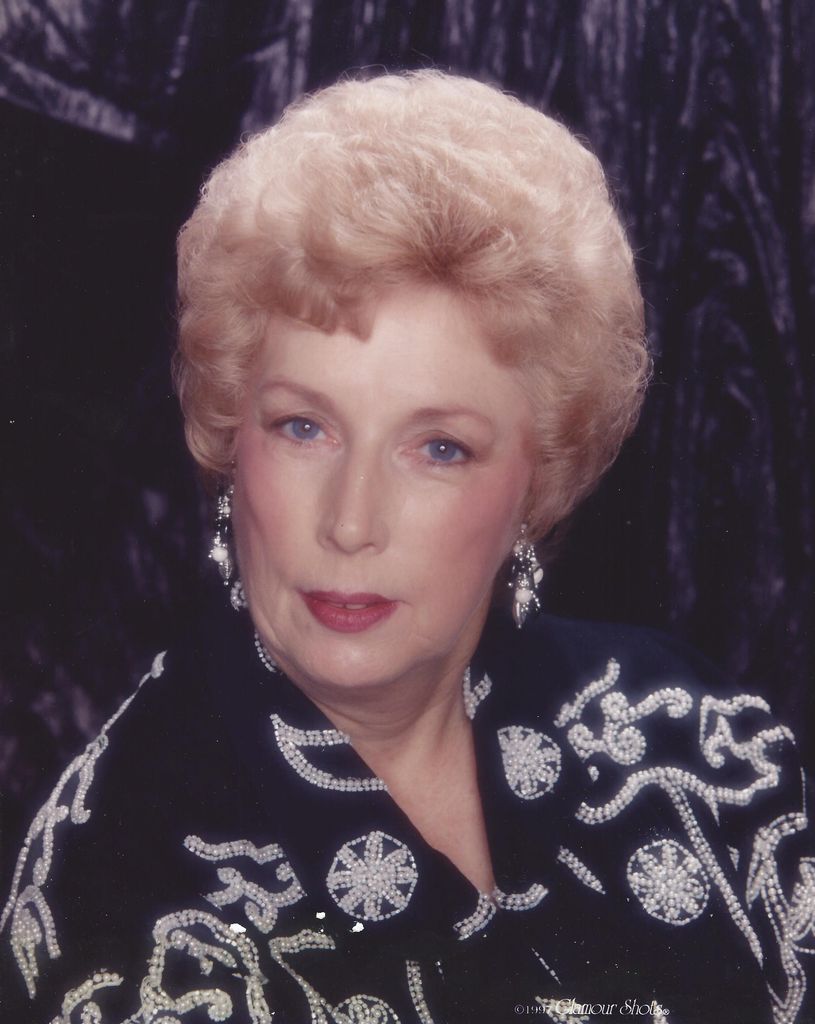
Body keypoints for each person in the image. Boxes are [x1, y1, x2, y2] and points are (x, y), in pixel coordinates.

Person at [1, 70, 812, 1024]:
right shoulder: (111, 889)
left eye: (438, 449)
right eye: (304, 427)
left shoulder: (696, 738)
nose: (351, 523)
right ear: (231, 439)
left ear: (534, 484)